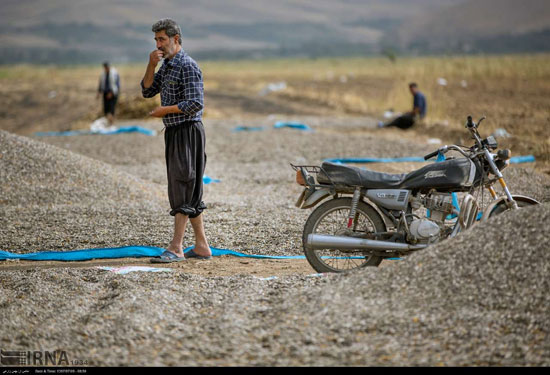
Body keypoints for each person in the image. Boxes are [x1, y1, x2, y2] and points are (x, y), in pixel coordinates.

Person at [141, 18, 212, 263]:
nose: (159, 44)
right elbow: (148, 90)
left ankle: (176, 247)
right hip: (174, 132)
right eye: (156, 40)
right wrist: (151, 65)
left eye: (162, 39)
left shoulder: (187, 66)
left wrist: (164, 111)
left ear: (176, 39)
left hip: (188, 131)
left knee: (182, 185)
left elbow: (195, 104)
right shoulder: (168, 65)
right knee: (188, 187)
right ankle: (202, 246)